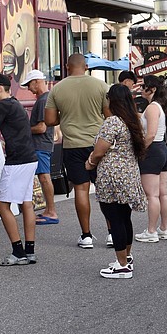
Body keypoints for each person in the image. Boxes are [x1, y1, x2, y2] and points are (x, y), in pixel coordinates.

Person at [44, 53, 110, 249]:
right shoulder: (101, 86)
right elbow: (109, 116)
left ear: (67, 66)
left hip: (72, 145)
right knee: (104, 189)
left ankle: (86, 235)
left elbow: (49, 120)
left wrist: (65, 117)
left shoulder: (57, 88)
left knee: (81, 189)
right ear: (86, 66)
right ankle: (112, 233)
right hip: (97, 144)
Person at [86, 84, 148, 279]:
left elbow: (99, 150)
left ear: (112, 100)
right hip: (129, 174)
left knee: (114, 219)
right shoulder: (133, 120)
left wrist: (90, 162)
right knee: (124, 216)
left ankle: (121, 266)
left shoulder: (113, 121)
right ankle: (126, 257)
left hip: (112, 176)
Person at [0, 73, 38, 266]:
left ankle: (18, 252)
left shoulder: (3, 105)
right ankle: (29, 251)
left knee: (1, 206)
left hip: (17, 161)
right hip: (29, 158)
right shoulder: (15, 103)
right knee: (26, 203)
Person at [135, 74, 167, 242]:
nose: (141, 89)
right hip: (162, 149)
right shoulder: (159, 106)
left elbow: (150, 134)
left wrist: (140, 150)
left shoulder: (152, 108)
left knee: (152, 195)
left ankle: (151, 231)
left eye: (144, 86)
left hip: (152, 149)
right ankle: (163, 228)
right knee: (163, 194)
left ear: (153, 89)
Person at [21, 70, 57, 225]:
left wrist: (23, 130)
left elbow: (41, 127)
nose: (29, 88)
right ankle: (49, 210)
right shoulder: (46, 99)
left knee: (44, 177)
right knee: (43, 177)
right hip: (43, 143)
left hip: (41, 144)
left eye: (29, 84)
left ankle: (51, 211)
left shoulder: (43, 100)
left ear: (36, 81)